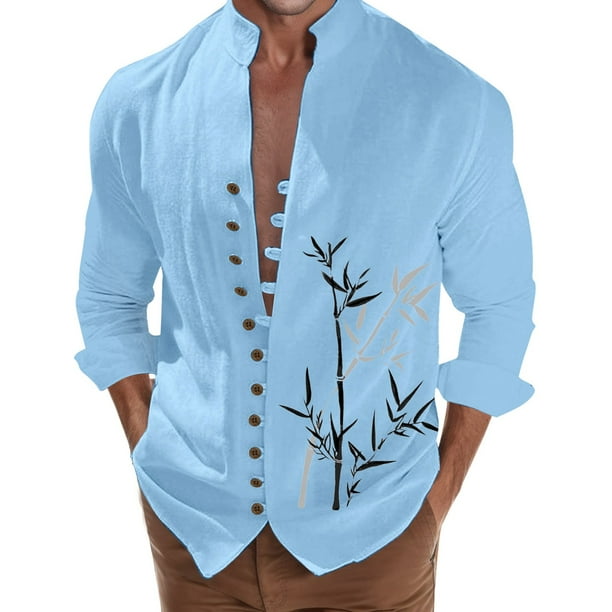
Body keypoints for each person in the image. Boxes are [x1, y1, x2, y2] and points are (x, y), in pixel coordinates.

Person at [74, 0, 536, 610]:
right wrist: (149, 451)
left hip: (375, 540)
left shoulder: (451, 102)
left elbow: (499, 306)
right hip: (194, 539)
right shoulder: (139, 102)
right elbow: (110, 296)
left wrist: (436, 500)